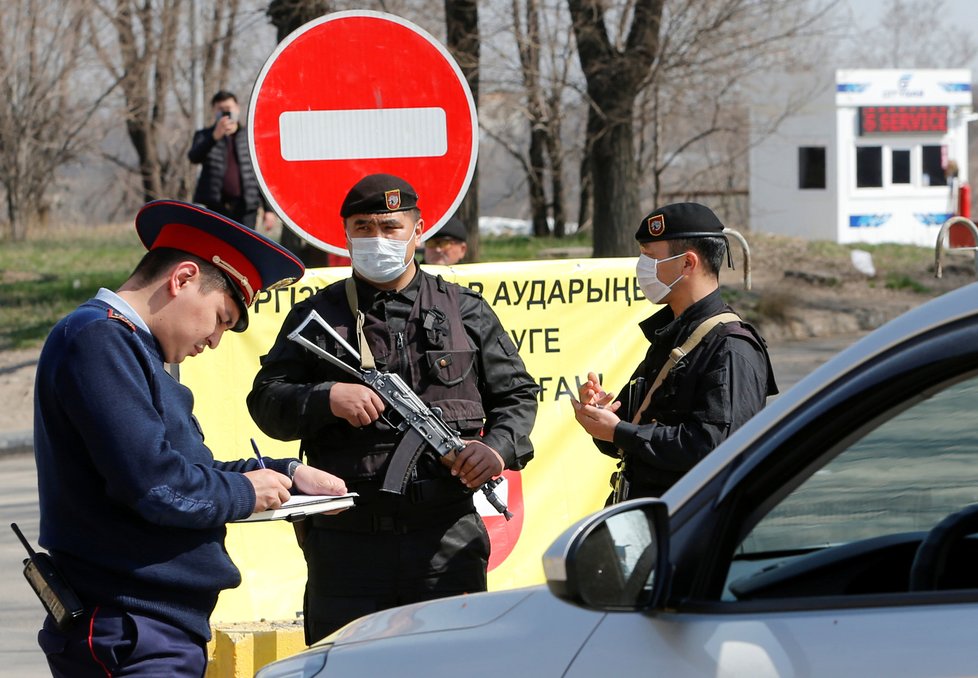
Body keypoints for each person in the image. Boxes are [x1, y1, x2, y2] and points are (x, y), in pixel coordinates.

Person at [32, 200, 348, 677]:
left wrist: (285, 474)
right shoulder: (99, 340)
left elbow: (184, 471)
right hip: (131, 626)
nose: (217, 339)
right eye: (221, 316)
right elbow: (157, 485)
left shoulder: (124, 345)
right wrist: (247, 492)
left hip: (147, 625)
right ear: (181, 279)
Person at [247, 173, 539, 643]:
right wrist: (325, 398)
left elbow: (517, 395)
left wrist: (497, 450)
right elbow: (266, 401)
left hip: (445, 538)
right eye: (362, 227)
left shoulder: (464, 311)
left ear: (418, 230)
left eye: (390, 227)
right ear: (345, 234)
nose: (376, 239)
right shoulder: (317, 317)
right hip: (346, 544)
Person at [571, 202, 777, 501]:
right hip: (650, 518)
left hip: (693, 527)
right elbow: (632, 440)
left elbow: (716, 447)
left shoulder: (731, 346)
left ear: (687, 263)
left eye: (650, 257)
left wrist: (621, 432)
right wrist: (603, 419)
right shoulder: (673, 335)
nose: (642, 267)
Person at [188, 90, 276, 231]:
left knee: (245, 248)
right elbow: (194, 157)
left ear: (237, 108)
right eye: (220, 110)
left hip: (246, 206)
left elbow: (261, 173)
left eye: (228, 109)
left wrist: (269, 209)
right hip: (215, 207)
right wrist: (214, 137)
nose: (225, 113)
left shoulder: (250, 136)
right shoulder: (204, 136)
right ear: (214, 111)